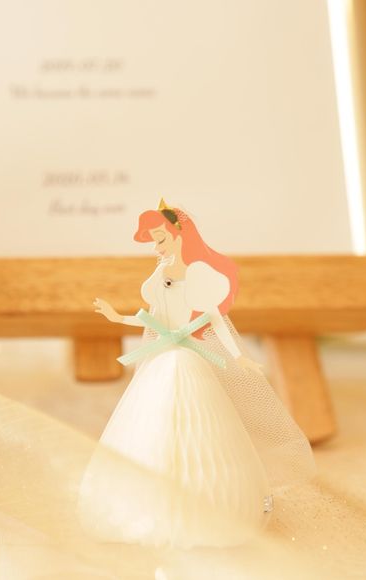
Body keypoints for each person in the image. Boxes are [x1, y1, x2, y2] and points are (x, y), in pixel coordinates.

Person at [77, 200, 316, 549]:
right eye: (153, 242)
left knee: (203, 424)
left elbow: (215, 320)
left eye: (160, 239)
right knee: (153, 421)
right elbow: (151, 318)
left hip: (189, 360)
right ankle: (153, 505)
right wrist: (116, 317)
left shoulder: (199, 275)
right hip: (166, 361)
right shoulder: (158, 278)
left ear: (178, 236)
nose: (156, 248)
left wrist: (238, 356)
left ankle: (215, 501)